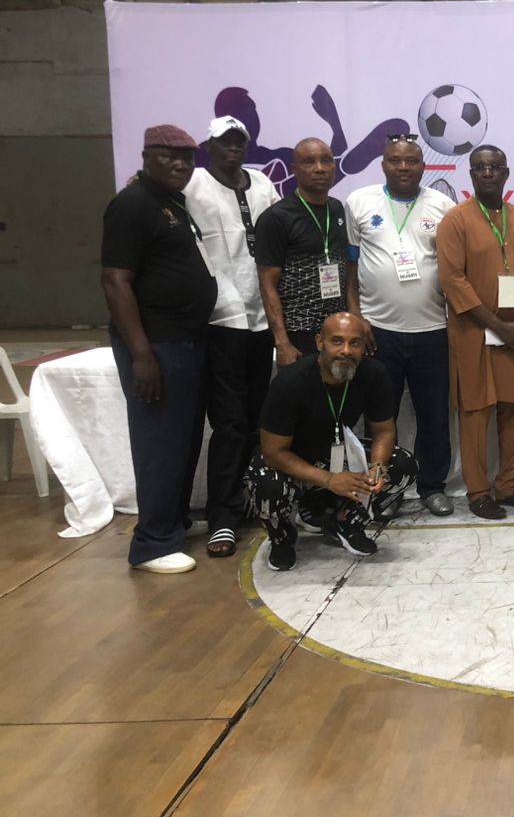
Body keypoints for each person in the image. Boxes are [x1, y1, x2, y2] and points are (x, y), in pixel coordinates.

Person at [100, 124, 217, 574]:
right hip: (157, 344)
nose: (180, 164)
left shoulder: (171, 203)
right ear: (146, 156)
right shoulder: (131, 205)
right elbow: (116, 281)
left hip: (187, 339)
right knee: (159, 441)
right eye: (169, 155)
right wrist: (142, 355)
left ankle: (173, 522)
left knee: (184, 438)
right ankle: (151, 543)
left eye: (187, 157)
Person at [246, 312, 416, 571]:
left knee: (403, 465)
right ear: (319, 343)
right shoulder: (290, 382)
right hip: (291, 459)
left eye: (355, 343)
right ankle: (281, 537)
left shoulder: (374, 373)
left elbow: (383, 430)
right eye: (337, 341)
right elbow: (273, 452)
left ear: (364, 346)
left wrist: (378, 467)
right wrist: (328, 480)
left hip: (335, 452)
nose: (346, 351)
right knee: (267, 484)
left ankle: (345, 522)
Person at [184, 115, 281, 558]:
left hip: (261, 319)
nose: (233, 148)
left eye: (239, 141)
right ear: (208, 146)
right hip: (220, 320)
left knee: (260, 418)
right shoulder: (193, 185)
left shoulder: (262, 184)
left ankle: (253, 500)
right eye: (224, 141)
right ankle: (221, 516)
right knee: (229, 421)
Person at [344, 135, 455, 517]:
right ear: (383, 165)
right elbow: (351, 269)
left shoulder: (442, 205)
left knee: (434, 415)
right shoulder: (359, 202)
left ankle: (432, 486)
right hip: (378, 332)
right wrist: (357, 319)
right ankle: (382, 490)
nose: (403, 167)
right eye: (395, 160)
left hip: (432, 330)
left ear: (424, 166)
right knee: (380, 416)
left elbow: (452, 269)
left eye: (411, 161)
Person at [437, 145, 514, 520]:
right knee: (475, 415)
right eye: (480, 167)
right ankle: (479, 492)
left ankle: (509, 486)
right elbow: (452, 280)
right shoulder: (456, 220)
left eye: (495, 167)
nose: (487, 173)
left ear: (506, 173)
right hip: (474, 333)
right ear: (470, 174)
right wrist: (497, 325)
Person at [255, 138, 349, 364]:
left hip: (336, 329)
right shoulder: (277, 217)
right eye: (309, 162)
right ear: (294, 169)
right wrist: (282, 341)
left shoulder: (337, 208)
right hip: (298, 333)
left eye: (326, 161)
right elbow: (267, 285)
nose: (320, 168)